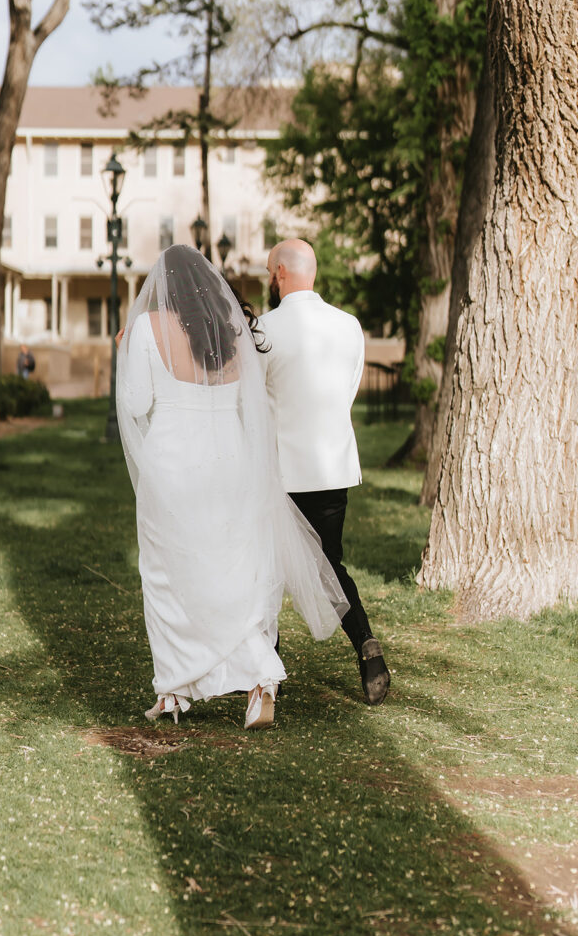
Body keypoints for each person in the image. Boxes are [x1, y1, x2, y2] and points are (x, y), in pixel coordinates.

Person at [116, 244, 349, 730]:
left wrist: (124, 353)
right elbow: (252, 403)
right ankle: (259, 678)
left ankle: (174, 689)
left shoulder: (146, 328)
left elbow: (136, 404)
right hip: (230, 457)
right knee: (233, 569)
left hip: (173, 460)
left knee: (165, 573)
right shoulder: (232, 328)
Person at [258, 239, 391, 706]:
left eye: (269, 272)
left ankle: (267, 677)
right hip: (332, 467)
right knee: (330, 564)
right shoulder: (349, 326)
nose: (269, 279)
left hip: (281, 472)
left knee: (266, 571)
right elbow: (347, 391)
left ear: (280, 273)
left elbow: (254, 401)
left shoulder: (263, 330)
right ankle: (367, 646)